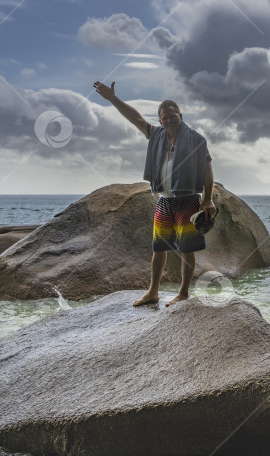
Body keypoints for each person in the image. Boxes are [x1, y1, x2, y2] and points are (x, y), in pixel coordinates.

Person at [93, 81, 216, 307]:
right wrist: (112, 99)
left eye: (172, 116)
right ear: (160, 120)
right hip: (164, 201)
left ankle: (184, 293)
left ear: (180, 115)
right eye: (164, 117)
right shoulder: (157, 135)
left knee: (186, 249)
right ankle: (153, 292)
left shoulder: (197, 139)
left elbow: (208, 170)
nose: (169, 120)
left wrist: (208, 199)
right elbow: (136, 118)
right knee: (158, 248)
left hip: (187, 200)